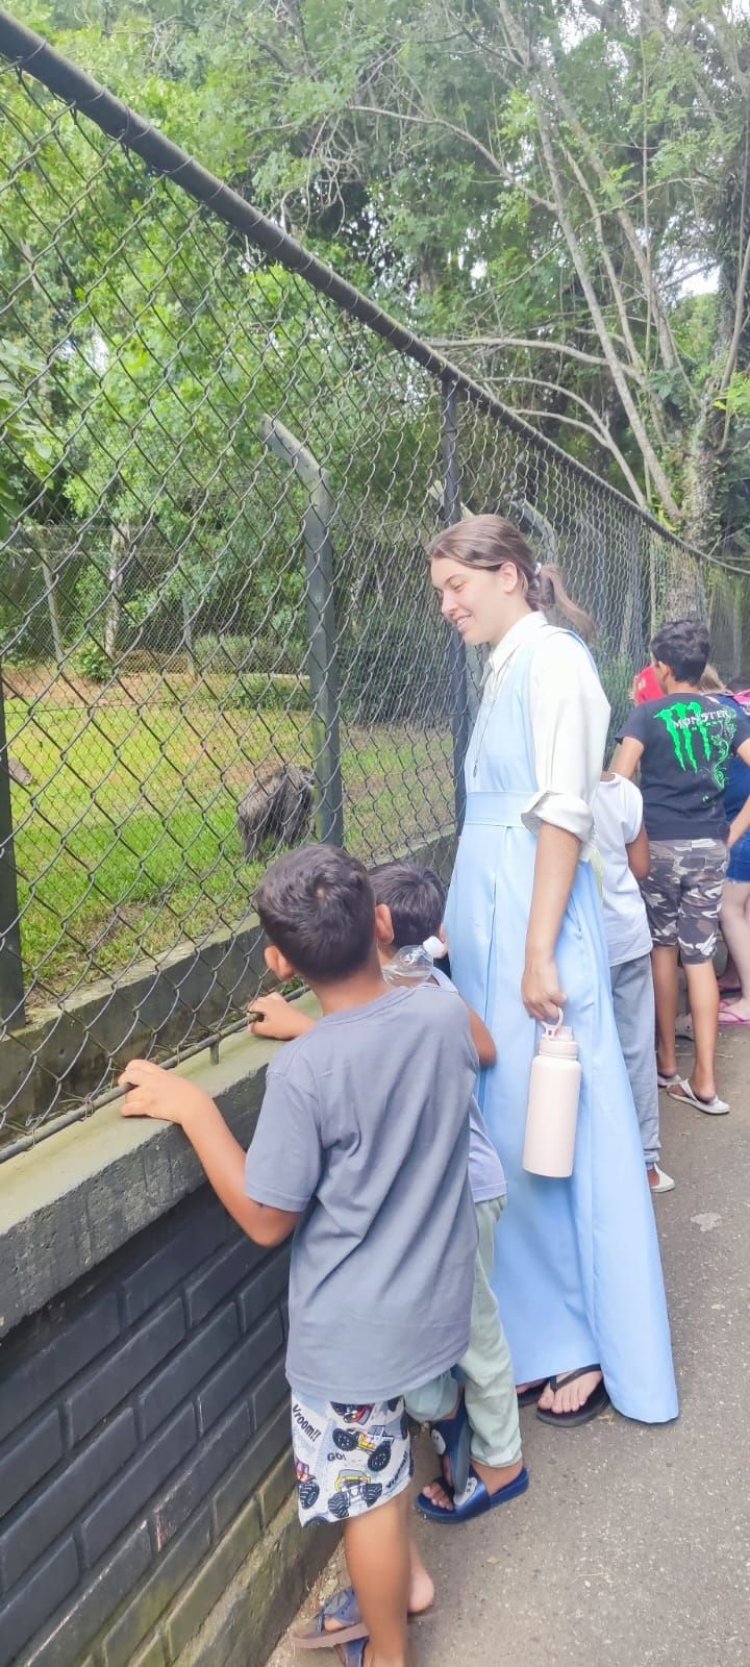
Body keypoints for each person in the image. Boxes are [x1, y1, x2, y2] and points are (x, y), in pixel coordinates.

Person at [119, 845, 479, 1667]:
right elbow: (380, 1047)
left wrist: (196, 1109)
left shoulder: (305, 1070)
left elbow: (265, 1217)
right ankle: (410, 1583)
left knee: (372, 1500)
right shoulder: (439, 1008)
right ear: (381, 922)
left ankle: (389, 1651)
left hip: (352, 1338)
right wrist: (313, 1027)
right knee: (394, 1452)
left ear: (279, 961)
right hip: (433, 1303)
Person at [429, 513, 677, 1429]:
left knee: (564, 1122)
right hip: (498, 926)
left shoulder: (557, 659)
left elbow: (564, 816)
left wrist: (537, 952)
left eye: (458, 585)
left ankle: (589, 1341)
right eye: (442, 591)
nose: (448, 605)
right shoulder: (505, 668)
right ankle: (541, 1331)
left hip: (535, 926)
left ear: (510, 574)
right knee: (517, 1124)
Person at [251, 860, 527, 1531]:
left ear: (279, 960)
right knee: (446, 1333)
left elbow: (468, 1045)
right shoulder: (416, 999)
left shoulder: (423, 989)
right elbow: (364, 1053)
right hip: (431, 1201)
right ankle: (449, 1414)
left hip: (464, 1192)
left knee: (476, 1330)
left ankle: (503, 1462)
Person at [615, 620, 750, 1115]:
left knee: (662, 948)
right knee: (700, 955)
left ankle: (667, 1064)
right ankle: (707, 1080)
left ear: (663, 667)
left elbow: (617, 782)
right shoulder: (728, 712)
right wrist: (730, 833)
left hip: (659, 850)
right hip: (710, 848)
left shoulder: (647, 716)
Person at [592, 771, 674, 1193]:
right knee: (636, 1050)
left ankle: (595, 1161)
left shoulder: (546, 791)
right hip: (627, 934)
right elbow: (640, 866)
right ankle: (646, 1164)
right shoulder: (623, 792)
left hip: (581, 944)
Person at [716, 678, 750, 1025]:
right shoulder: (737, 707)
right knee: (743, 907)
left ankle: (749, 1000)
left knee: (730, 908)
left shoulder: (720, 712)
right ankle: (734, 976)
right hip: (742, 816)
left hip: (741, 822)